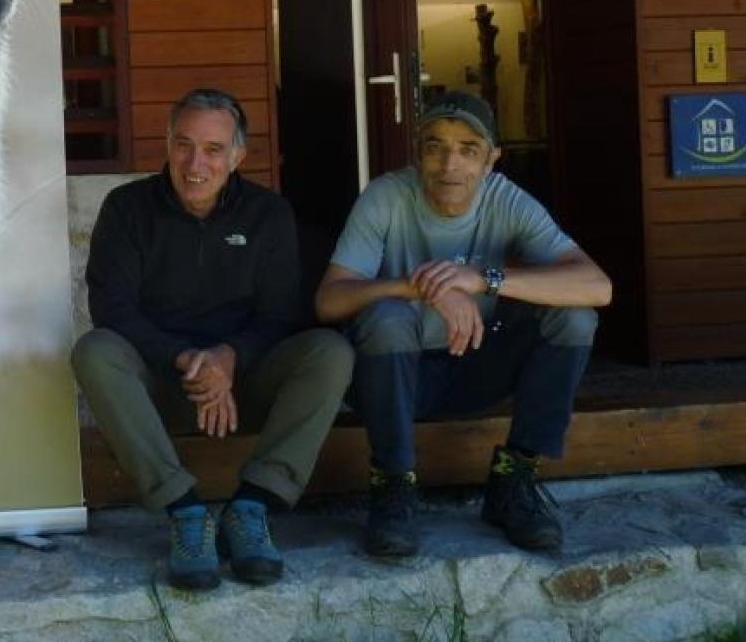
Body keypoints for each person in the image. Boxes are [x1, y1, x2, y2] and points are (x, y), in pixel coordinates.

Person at [72, 88, 354, 590]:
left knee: (330, 353)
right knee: (95, 351)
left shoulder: (268, 214)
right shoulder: (126, 209)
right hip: (160, 387)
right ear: (166, 143)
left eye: (213, 149)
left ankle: (253, 505)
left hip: (244, 386)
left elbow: (281, 314)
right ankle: (185, 512)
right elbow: (113, 311)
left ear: (238, 156)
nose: (195, 162)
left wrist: (229, 357)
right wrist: (189, 359)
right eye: (183, 145)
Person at [315, 91, 611, 558]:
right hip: (393, 377)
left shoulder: (507, 200)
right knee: (387, 317)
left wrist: (482, 280)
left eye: (468, 148)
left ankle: (514, 480)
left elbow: (597, 286)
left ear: (492, 158)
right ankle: (393, 486)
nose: (450, 164)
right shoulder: (386, 196)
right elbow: (329, 300)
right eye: (435, 146)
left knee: (574, 317)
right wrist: (419, 287)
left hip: (476, 366)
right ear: (418, 152)